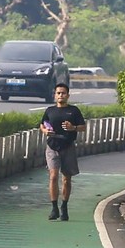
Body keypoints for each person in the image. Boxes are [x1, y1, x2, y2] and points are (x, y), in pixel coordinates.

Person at [40, 82, 86, 221]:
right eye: (58, 93)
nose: (61, 95)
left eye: (63, 93)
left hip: (68, 146)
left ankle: (64, 206)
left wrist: (73, 128)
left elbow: (83, 127)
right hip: (52, 146)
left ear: (68, 95)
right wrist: (45, 131)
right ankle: (54, 208)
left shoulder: (74, 111)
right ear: (55, 95)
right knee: (53, 176)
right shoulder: (49, 110)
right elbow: (42, 124)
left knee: (66, 179)